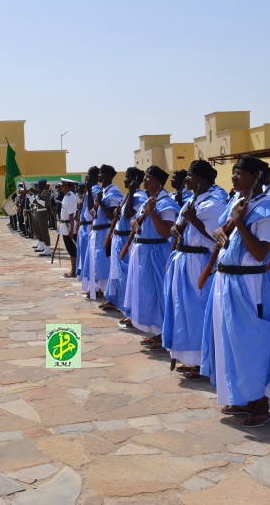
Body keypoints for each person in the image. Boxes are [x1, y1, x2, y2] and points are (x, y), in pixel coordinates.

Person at [201, 155, 270, 427]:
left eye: (239, 173)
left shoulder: (267, 210)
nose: (233, 178)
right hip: (229, 282)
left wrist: (239, 222)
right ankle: (243, 397)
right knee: (232, 343)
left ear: (255, 177)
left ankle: (260, 404)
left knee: (251, 344)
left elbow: (261, 251)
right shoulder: (238, 202)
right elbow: (222, 228)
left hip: (251, 286)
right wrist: (220, 231)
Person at [162, 160, 225, 376]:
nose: (186, 179)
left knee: (197, 310)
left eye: (190, 175)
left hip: (199, 263)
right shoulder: (192, 201)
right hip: (183, 259)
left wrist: (193, 220)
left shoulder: (213, 204)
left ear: (203, 179)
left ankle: (202, 362)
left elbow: (217, 237)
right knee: (184, 311)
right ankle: (189, 358)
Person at [123, 165, 179, 347]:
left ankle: (164, 333)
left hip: (156, 253)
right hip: (143, 252)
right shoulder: (149, 200)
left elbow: (166, 232)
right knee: (147, 293)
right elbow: (137, 219)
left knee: (159, 294)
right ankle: (155, 331)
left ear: (158, 181)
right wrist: (134, 222)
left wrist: (153, 212)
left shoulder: (165, 203)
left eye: (148, 178)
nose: (144, 181)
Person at [104, 167, 147, 317]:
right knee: (117, 274)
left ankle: (130, 311)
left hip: (126, 239)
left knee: (126, 276)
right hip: (118, 237)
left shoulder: (139, 196)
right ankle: (120, 305)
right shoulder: (128, 195)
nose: (124, 179)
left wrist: (131, 192)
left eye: (127, 177)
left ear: (135, 180)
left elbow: (129, 214)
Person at [83, 164, 122, 299]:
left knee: (105, 263)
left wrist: (101, 202)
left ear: (108, 176)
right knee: (96, 262)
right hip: (97, 232)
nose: (98, 176)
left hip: (106, 231)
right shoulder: (103, 191)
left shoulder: (113, 192)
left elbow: (113, 216)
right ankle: (99, 290)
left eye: (101, 173)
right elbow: (92, 212)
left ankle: (109, 294)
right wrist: (88, 192)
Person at [76, 167, 100, 280]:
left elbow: (92, 209)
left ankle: (93, 283)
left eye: (89, 175)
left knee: (89, 257)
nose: (86, 177)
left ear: (95, 177)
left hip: (90, 225)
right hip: (83, 225)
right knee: (83, 254)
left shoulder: (95, 190)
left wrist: (89, 190)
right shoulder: (89, 189)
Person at [57, 179, 79, 277]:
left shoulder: (70, 197)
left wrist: (71, 229)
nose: (60, 187)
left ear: (67, 186)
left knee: (73, 250)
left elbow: (71, 214)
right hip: (65, 227)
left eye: (62, 185)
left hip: (69, 227)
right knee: (70, 250)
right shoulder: (66, 196)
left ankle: (74, 271)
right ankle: (73, 270)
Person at [32, 179, 53, 257]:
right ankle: (41, 244)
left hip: (43, 213)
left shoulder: (45, 191)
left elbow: (46, 204)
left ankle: (47, 249)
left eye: (38, 184)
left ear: (42, 185)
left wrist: (37, 200)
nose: (37, 186)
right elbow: (36, 195)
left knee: (44, 231)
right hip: (39, 212)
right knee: (39, 229)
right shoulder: (41, 191)